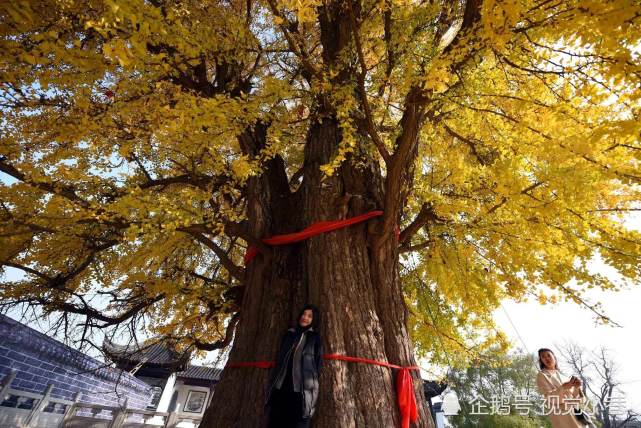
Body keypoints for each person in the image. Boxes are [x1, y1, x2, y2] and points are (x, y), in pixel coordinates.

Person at [266, 304, 323, 428]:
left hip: (301, 391)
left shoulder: (314, 338)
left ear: (314, 320)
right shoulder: (289, 334)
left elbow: (318, 364)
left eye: (309, 316)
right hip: (281, 387)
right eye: (304, 314)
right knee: (275, 421)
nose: (305, 318)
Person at [536, 348, 593, 428]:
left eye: (548, 355)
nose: (546, 358)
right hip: (562, 416)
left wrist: (577, 387)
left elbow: (579, 400)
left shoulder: (564, 376)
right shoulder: (542, 376)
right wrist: (563, 388)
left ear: (554, 357)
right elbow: (549, 398)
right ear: (541, 361)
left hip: (577, 414)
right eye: (543, 357)